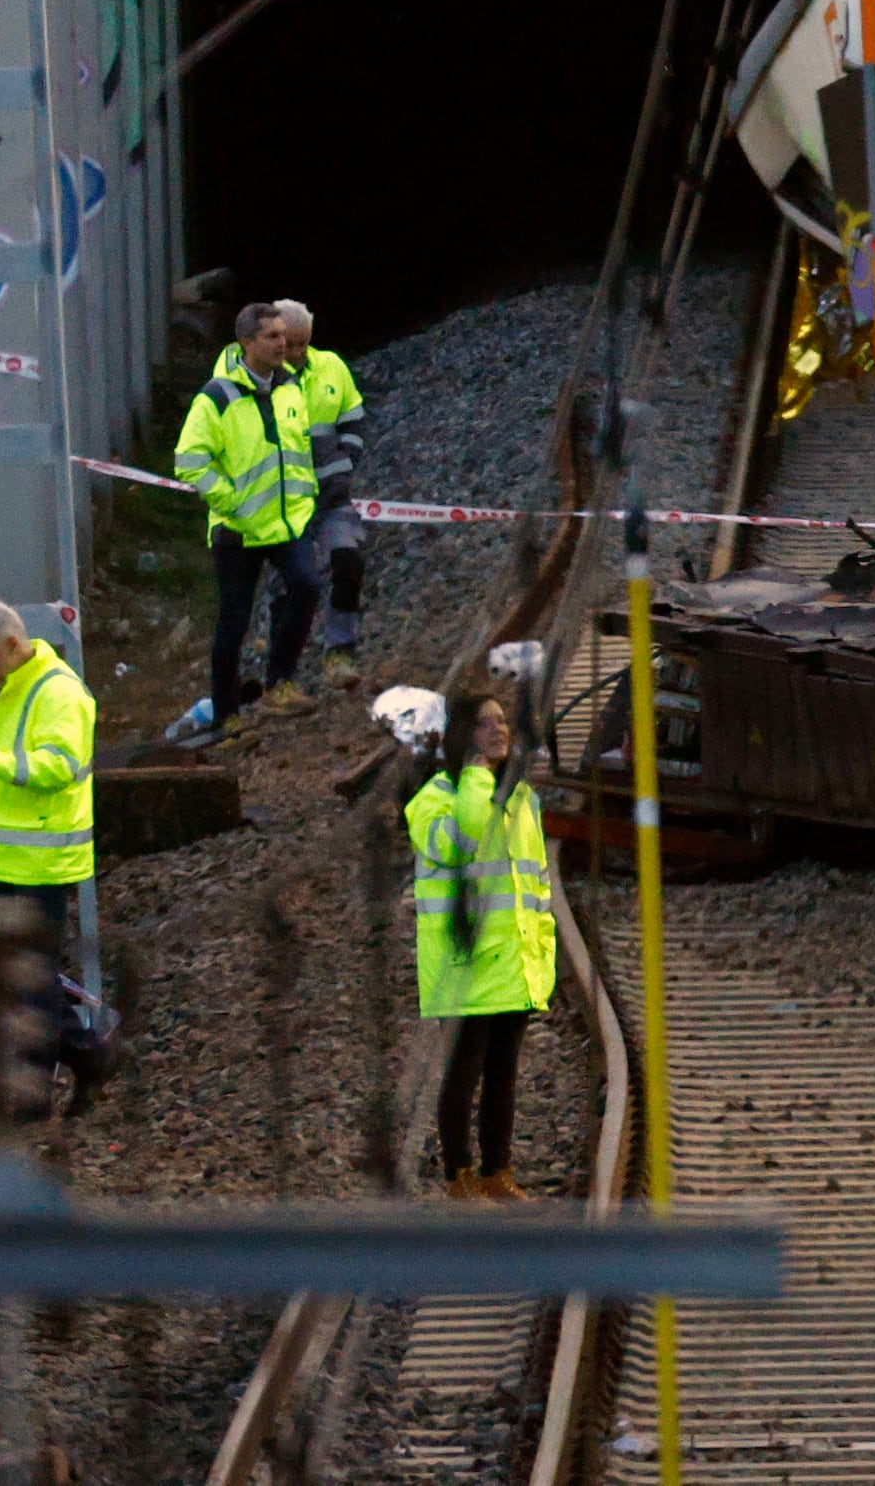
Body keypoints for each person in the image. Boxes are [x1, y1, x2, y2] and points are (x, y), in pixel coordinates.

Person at [0, 597, 104, 1102]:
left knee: (31, 984)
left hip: (42, 862)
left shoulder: (59, 692)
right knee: (16, 980)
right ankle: (86, 1056)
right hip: (6, 858)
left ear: (13, 645)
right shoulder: (13, 683)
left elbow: (56, 768)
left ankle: (38, 1092)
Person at [406, 681, 555, 1197]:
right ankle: (458, 1175)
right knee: (462, 1075)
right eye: (485, 723)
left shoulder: (521, 799)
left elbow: (534, 882)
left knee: (503, 1076)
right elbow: (466, 841)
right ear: (462, 737)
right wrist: (473, 777)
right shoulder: (434, 800)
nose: (499, 731)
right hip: (466, 964)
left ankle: (497, 1171)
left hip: (513, 961)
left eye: (502, 722)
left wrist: (541, 950)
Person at [173, 306, 321, 728]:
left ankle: (281, 683)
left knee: (306, 586)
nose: (281, 344)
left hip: (287, 524)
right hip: (238, 530)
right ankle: (226, 713)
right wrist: (230, 503)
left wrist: (307, 498)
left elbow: (298, 450)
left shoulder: (291, 389)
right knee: (233, 623)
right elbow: (189, 461)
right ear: (247, 344)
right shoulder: (217, 397)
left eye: (283, 336)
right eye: (271, 337)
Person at [273, 299, 372, 663]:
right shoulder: (261, 377)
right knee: (291, 585)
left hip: (332, 496)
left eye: (303, 343)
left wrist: (346, 460)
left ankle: (340, 649)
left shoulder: (332, 367)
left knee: (349, 563)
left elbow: (354, 420)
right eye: (290, 344)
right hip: (283, 504)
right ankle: (281, 666)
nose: (297, 353)